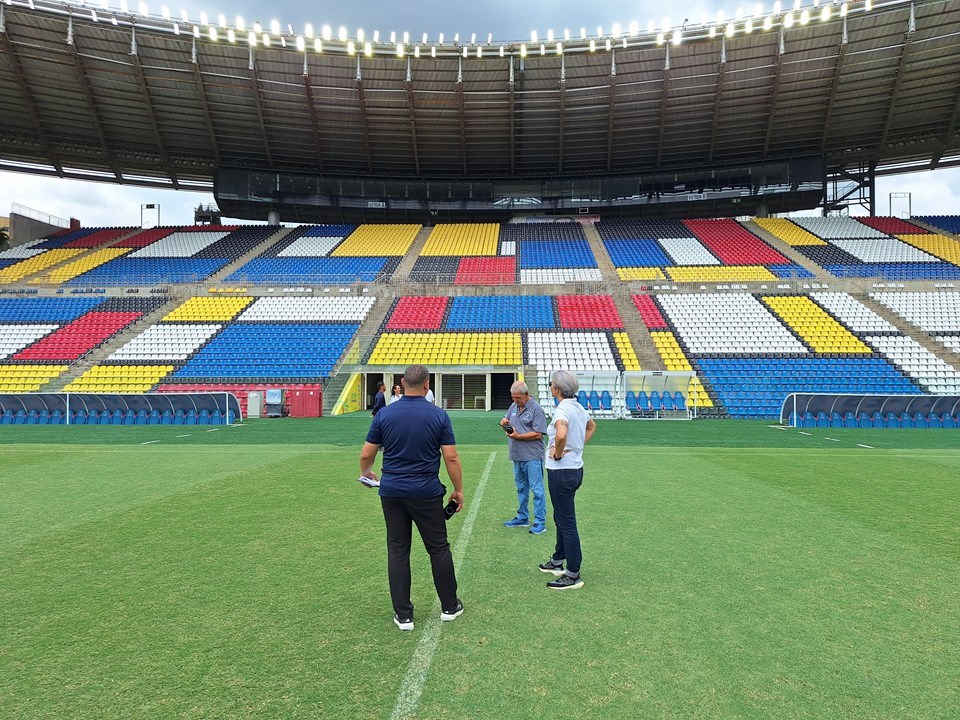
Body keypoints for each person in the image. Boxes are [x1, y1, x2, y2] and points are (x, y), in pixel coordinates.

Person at [359, 364, 465, 631]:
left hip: (392, 491)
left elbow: (366, 454)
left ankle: (403, 615)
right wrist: (458, 489)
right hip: (426, 492)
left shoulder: (384, 414)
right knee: (438, 548)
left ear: (402, 384)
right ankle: (450, 606)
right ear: (427, 384)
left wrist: (366, 473)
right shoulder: (439, 415)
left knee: (397, 550)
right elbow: (450, 457)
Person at [538, 370, 596, 590]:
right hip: (574, 469)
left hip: (561, 471)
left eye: (551, 384)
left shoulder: (562, 409)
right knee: (561, 516)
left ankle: (572, 573)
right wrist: (576, 446)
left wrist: (561, 451)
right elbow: (592, 426)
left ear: (557, 389)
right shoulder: (578, 407)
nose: (550, 387)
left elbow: (561, 434)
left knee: (566, 521)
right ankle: (558, 559)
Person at [500, 381, 548, 534]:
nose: (515, 400)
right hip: (517, 455)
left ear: (526, 395)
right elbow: (506, 419)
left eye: (518, 398)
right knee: (521, 488)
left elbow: (538, 433)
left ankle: (540, 521)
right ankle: (522, 517)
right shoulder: (514, 406)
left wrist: (519, 436)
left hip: (532, 456)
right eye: (513, 397)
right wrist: (504, 422)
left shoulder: (536, 409)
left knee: (537, 490)